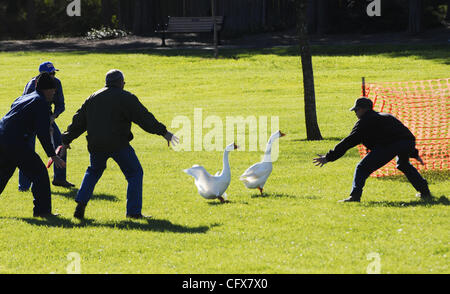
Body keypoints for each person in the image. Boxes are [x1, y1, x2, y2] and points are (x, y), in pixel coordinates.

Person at [61, 69, 179, 220]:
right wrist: (163, 132)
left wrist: (66, 139)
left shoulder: (93, 97)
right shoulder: (126, 97)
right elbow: (144, 118)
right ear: (120, 82)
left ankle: (81, 203)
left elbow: (79, 121)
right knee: (135, 172)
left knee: (94, 171)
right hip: (118, 144)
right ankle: (133, 212)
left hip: (96, 144)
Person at [313, 97, 432, 202]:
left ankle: (355, 196)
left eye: (356, 109)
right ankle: (425, 192)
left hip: (390, 145)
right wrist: (414, 153)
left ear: (363, 109)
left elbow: (348, 142)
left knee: (362, 167)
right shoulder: (387, 116)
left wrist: (328, 157)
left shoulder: (364, 122)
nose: (355, 112)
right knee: (403, 164)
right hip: (407, 142)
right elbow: (404, 135)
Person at [0, 73, 66, 217]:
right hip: (15, 142)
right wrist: (53, 155)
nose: (54, 93)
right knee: (40, 174)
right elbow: (43, 134)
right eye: (53, 90)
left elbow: (16, 111)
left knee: (3, 174)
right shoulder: (41, 102)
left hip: (3, 136)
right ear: (47, 90)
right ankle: (42, 212)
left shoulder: (25, 97)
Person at [18, 61, 74, 191]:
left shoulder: (57, 83)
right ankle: (24, 186)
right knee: (28, 150)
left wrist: (52, 117)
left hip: (48, 118)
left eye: (54, 73)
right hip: (29, 121)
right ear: (42, 75)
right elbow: (26, 106)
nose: (53, 76)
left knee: (59, 143)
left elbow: (61, 105)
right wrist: (42, 121)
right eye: (50, 73)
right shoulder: (33, 85)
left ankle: (59, 178)